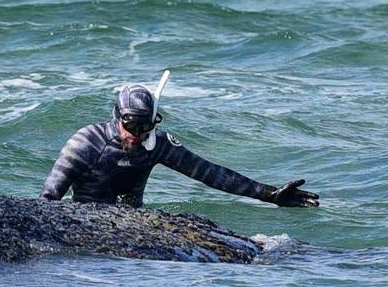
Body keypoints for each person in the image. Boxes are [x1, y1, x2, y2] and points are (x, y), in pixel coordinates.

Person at [41, 83, 318, 208]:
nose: (137, 135)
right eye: (131, 126)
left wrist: (268, 195)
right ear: (116, 117)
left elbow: (210, 173)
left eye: (145, 127)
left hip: (134, 222)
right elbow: (49, 199)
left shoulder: (156, 144)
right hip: (87, 219)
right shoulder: (86, 142)